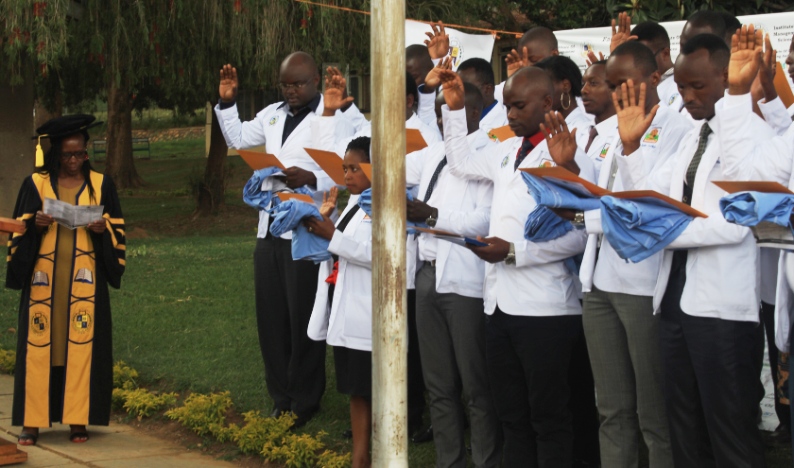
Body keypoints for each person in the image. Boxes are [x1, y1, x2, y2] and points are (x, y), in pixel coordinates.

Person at [610, 33, 772, 466]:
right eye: (681, 87)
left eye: (698, 86)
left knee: (729, 432)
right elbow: (649, 198)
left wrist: (666, 232)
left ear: (727, 75)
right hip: (674, 299)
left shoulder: (756, 133)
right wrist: (630, 147)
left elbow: (738, 222)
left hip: (721, 309)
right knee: (683, 427)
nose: (687, 96)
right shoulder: (690, 135)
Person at [439, 64, 595, 467]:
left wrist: (514, 253)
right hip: (499, 306)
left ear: (548, 102)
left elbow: (580, 232)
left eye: (519, 106)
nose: (509, 115)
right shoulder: (508, 149)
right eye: (507, 106)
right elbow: (460, 163)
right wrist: (454, 110)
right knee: (511, 415)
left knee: (549, 418)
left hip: (545, 310)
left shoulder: (573, 155)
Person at [214, 52, 355, 427]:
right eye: (285, 84)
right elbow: (241, 138)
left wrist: (311, 179)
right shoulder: (273, 113)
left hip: (309, 229)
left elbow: (351, 171)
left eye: (297, 84)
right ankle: (280, 396)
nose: (290, 91)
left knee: (303, 317)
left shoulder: (336, 115)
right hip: (270, 228)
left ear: (313, 81)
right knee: (272, 318)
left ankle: (306, 398)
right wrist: (228, 103)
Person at [579, 41, 692, 468]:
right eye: (610, 84)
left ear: (653, 79)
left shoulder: (677, 130)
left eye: (622, 83)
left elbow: (646, 207)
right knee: (612, 409)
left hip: (643, 287)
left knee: (653, 414)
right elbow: (599, 199)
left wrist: (631, 149)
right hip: (601, 283)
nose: (614, 92)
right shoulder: (608, 131)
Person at [6, 114, 126, 445]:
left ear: (87, 152)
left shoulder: (102, 185)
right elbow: (18, 230)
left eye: (80, 154)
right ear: (56, 154)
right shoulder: (35, 185)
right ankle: (31, 422)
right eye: (68, 155)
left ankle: (78, 419)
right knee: (41, 345)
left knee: (82, 345)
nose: (74, 161)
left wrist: (103, 232)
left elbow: (118, 231)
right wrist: (37, 224)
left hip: (84, 282)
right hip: (45, 283)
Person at [406, 77, 500, 466]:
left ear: (472, 112)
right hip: (427, 274)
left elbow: (485, 220)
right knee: (438, 383)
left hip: (465, 281)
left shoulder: (490, 155)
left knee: (475, 386)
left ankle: (485, 460)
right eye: (443, 111)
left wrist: (432, 215)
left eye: (451, 110)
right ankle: (450, 461)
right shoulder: (433, 155)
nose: (444, 119)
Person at [305, 137, 374, 468]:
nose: (347, 175)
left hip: (367, 314)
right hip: (345, 309)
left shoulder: (384, 206)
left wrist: (333, 235)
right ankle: (359, 456)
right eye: (345, 168)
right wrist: (322, 224)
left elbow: (380, 256)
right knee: (355, 389)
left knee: (370, 388)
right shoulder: (353, 205)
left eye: (355, 168)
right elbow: (329, 251)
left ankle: (370, 454)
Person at [534, 55, 594, 150]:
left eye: (544, 86)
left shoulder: (583, 130)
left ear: (565, 86)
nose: (537, 93)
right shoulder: (547, 126)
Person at [630, 21, 682, 110]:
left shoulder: (679, 85)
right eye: (633, 61)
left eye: (643, 59)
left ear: (665, 53)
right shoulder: (635, 86)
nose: (637, 66)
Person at [580, 60, 618, 177]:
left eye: (593, 83)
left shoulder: (623, 135)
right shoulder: (580, 132)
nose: (583, 90)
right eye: (583, 84)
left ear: (614, 88)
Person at [457, 57, 508, 132]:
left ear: (487, 89)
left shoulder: (506, 124)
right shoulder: (454, 120)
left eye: (467, 88)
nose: (459, 94)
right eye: (457, 88)